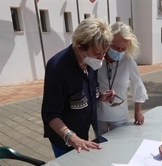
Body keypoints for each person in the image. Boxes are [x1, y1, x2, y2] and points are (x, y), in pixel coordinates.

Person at [41, 18, 115, 158]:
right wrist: (71, 137)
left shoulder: (90, 62)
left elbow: (87, 91)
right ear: (80, 47)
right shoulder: (58, 68)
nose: (102, 58)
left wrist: (100, 97)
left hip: (83, 134)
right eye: (98, 53)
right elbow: (50, 114)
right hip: (64, 139)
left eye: (104, 53)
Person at [97, 22, 148, 135]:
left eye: (123, 48)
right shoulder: (97, 59)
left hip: (119, 116)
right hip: (98, 115)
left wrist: (137, 111)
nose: (119, 51)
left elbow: (137, 85)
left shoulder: (128, 61)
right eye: (115, 47)